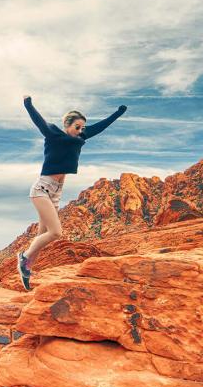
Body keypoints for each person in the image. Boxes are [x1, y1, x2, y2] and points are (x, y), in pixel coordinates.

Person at [18, 94, 127, 290]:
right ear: (67, 125)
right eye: (77, 127)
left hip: (56, 191)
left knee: (43, 233)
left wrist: (118, 113)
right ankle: (24, 258)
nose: (80, 131)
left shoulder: (81, 137)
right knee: (55, 232)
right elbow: (39, 122)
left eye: (82, 128)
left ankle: (27, 268)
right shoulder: (53, 134)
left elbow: (100, 127)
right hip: (42, 188)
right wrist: (28, 104)